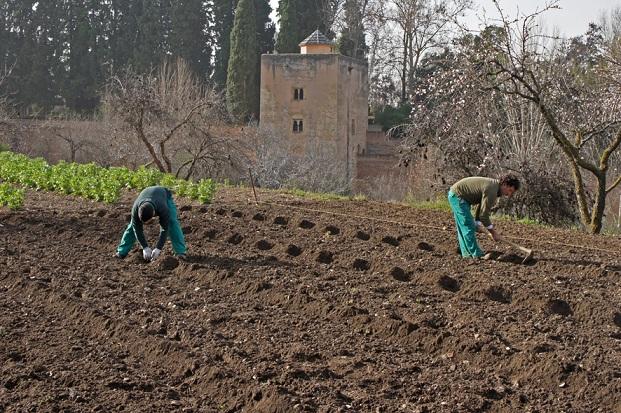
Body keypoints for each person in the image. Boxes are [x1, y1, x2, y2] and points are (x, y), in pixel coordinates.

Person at [447, 174, 520, 258]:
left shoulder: (494, 187)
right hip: (458, 196)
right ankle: (476, 254)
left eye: (512, 192)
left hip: (457, 195)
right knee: (468, 226)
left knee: (465, 226)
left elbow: (481, 206)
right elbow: (484, 215)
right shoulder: (492, 190)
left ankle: (465, 252)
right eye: (510, 190)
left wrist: (477, 223)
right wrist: (493, 233)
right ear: (504, 184)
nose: (509, 194)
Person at [114, 186, 187, 261]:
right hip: (145, 193)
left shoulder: (163, 208)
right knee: (132, 226)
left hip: (163, 195)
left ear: (154, 214)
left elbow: (165, 228)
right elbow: (137, 229)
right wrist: (145, 247)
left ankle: (180, 252)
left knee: (172, 222)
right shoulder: (135, 210)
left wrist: (158, 248)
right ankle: (121, 252)